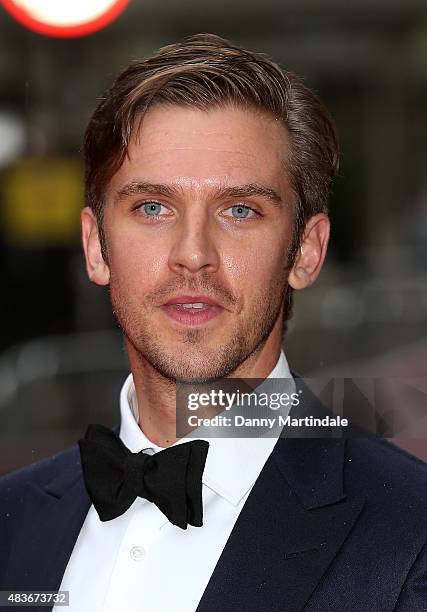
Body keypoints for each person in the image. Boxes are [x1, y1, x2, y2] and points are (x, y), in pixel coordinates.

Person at [0, 33, 426, 612]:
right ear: (96, 247)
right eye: (152, 208)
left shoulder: (410, 533)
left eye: (239, 210)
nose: (193, 253)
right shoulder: (12, 521)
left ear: (305, 250)